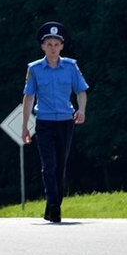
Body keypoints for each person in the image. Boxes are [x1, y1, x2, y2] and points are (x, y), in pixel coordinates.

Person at [22, 22, 89, 223]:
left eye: (56, 44)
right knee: (48, 166)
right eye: (49, 44)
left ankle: (52, 206)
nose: (52, 48)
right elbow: (28, 98)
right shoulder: (34, 69)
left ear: (61, 46)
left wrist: (82, 110)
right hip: (44, 122)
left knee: (60, 167)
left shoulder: (70, 67)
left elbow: (81, 91)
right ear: (42, 47)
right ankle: (54, 205)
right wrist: (25, 125)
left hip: (65, 123)